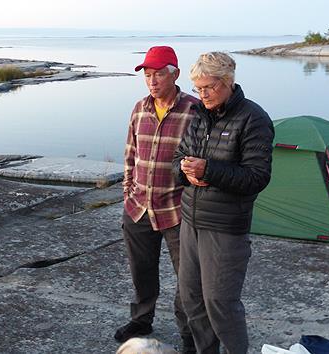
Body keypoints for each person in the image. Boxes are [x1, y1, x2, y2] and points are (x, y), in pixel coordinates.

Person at [173, 52, 274, 354]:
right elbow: (178, 159)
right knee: (191, 298)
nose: (202, 95)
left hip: (226, 226)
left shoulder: (254, 119)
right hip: (191, 220)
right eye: (198, 89)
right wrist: (185, 171)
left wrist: (209, 171)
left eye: (209, 87)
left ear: (228, 81)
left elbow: (257, 177)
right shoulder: (198, 115)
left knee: (220, 302)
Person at [116, 46, 198, 353]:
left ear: (174, 74)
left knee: (188, 279)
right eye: (148, 75)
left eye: (159, 74)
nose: (152, 81)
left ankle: (189, 332)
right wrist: (127, 195)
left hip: (177, 211)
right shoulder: (140, 108)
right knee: (142, 272)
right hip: (138, 209)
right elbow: (130, 155)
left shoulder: (194, 109)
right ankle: (141, 319)